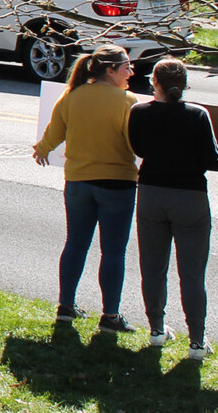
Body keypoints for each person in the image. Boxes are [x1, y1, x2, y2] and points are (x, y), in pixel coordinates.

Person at [32, 44, 139, 334]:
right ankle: (110, 316)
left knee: (76, 244)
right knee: (113, 251)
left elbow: (54, 133)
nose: (131, 71)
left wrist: (42, 150)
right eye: (127, 66)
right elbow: (134, 145)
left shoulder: (72, 96)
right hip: (117, 183)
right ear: (110, 70)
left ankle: (65, 307)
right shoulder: (127, 100)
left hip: (78, 182)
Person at [129, 58, 218, 360]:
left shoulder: (138, 112)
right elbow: (211, 160)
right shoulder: (197, 115)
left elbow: (138, 148)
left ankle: (156, 329)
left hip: (152, 193)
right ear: (185, 83)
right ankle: (196, 342)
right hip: (190, 198)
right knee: (192, 274)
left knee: (153, 268)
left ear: (154, 81)